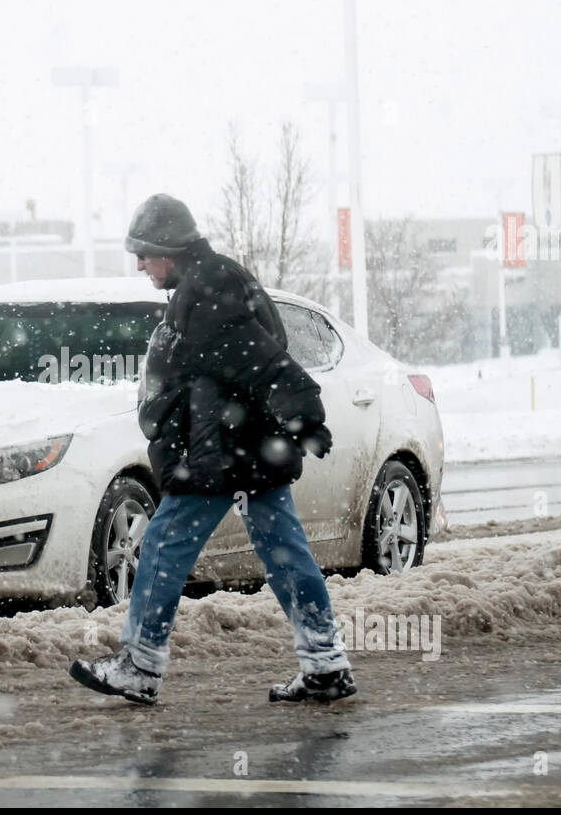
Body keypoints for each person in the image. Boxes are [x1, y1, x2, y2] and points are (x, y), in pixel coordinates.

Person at [68, 193, 354, 706]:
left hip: (221, 453)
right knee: (285, 556)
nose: (140, 264)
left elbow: (262, 360)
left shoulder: (209, 288)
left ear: (168, 248)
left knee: (160, 548)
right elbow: (242, 363)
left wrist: (305, 412)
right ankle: (324, 664)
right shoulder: (210, 280)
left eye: (144, 253)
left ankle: (139, 665)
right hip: (247, 450)